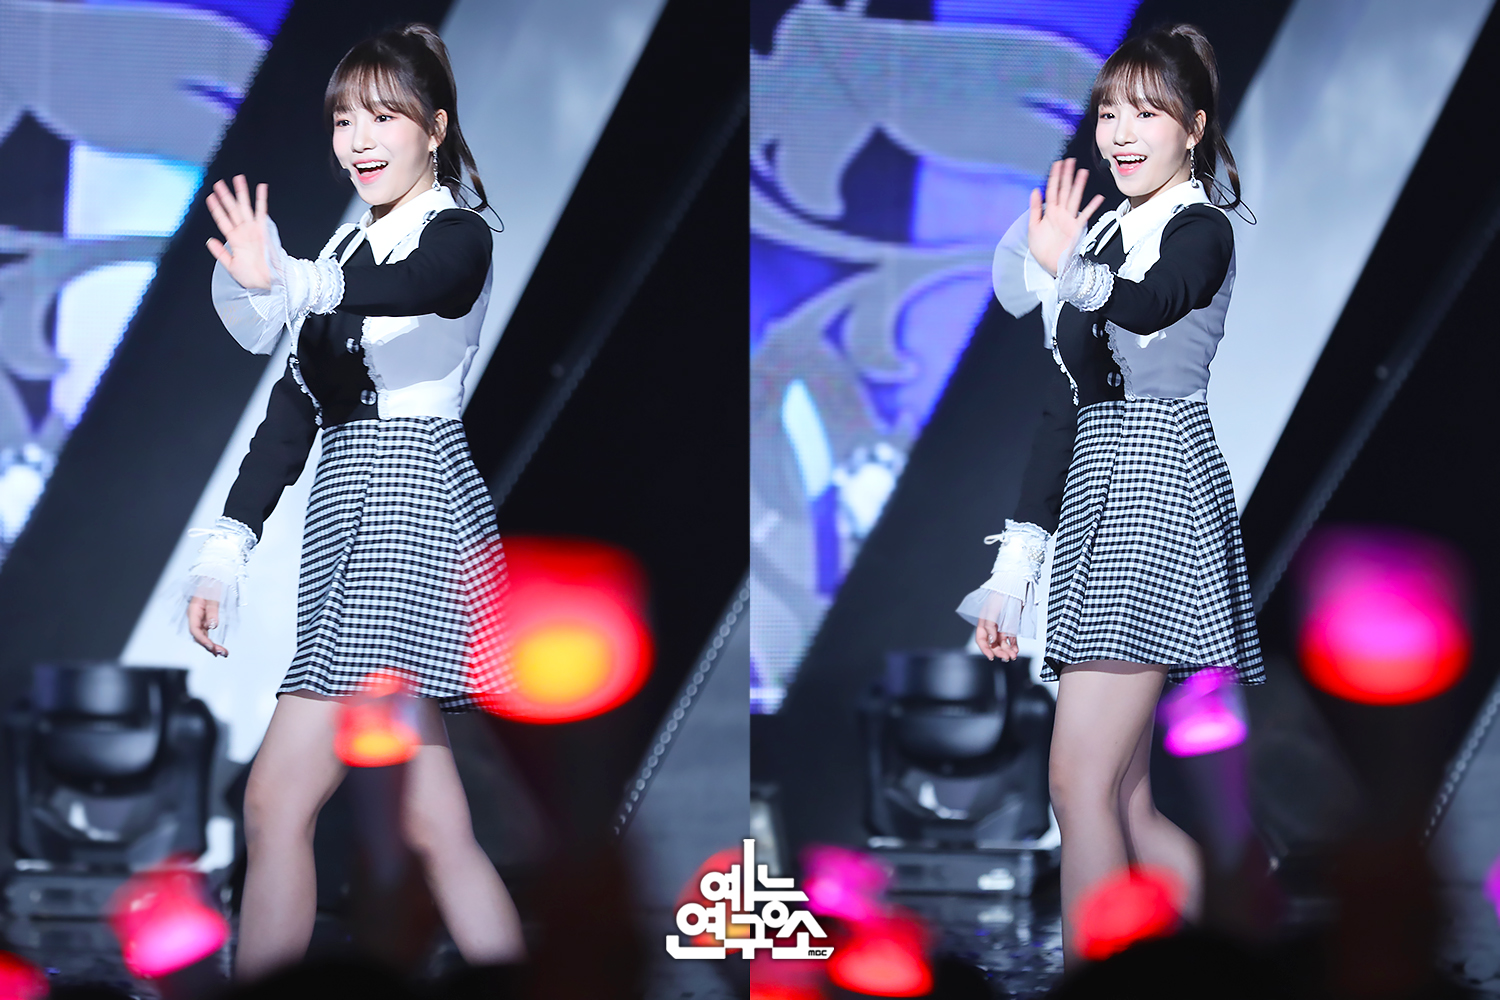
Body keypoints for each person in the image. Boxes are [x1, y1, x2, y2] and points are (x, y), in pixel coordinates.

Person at [183, 24, 524, 980]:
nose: (359, 139)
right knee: (431, 822)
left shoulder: (455, 233)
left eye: (383, 117)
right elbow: (292, 414)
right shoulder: (347, 246)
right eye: (343, 120)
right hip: (347, 506)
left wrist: (294, 278)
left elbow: (427, 285)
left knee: (276, 800)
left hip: (410, 502)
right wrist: (224, 554)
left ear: (435, 128)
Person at [955, 24, 1263, 965]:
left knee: (1078, 785)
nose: (1121, 133)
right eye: (1108, 113)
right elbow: (1067, 411)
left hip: (1159, 488)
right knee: (1122, 801)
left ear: (1194, 128)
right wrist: (1013, 578)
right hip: (1098, 492)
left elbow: (1150, 302)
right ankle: (1242, 960)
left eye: (1147, 114)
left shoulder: (1200, 229)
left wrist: (1065, 267)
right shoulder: (1096, 238)